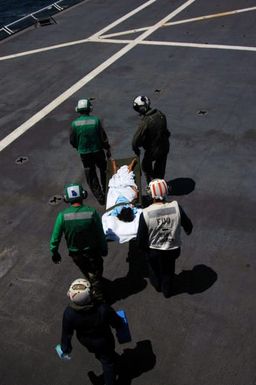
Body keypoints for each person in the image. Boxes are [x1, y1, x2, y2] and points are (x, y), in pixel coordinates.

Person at [56, 278, 124, 385]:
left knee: (98, 353)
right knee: (108, 362)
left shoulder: (69, 314)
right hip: (104, 340)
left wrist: (65, 349)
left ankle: (101, 355)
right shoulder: (102, 309)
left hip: (86, 341)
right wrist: (120, 326)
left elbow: (66, 334)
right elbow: (115, 321)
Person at [50, 183, 108, 302]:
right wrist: (104, 248)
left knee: (86, 270)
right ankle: (99, 298)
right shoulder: (92, 212)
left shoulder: (62, 216)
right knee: (96, 273)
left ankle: (92, 283)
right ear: (83, 195)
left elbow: (55, 238)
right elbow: (100, 234)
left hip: (76, 254)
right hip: (93, 252)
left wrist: (54, 252)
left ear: (66, 199)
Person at [136, 179, 193, 298]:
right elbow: (188, 226)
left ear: (152, 195)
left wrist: (143, 250)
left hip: (154, 251)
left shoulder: (146, 213)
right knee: (169, 269)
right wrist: (187, 230)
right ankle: (167, 290)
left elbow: (141, 238)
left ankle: (157, 285)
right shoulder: (176, 207)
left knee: (154, 268)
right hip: (172, 248)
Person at [70, 98, 111, 205]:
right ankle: (108, 191)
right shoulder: (95, 120)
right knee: (104, 170)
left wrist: (80, 147)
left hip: (84, 153)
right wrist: (107, 148)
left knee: (91, 174)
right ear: (89, 109)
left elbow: (73, 141)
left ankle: (100, 197)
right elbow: (103, 138)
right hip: (98, 151)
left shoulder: (74, 124)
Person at [132, 96, 171, 184]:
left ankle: (152, 185)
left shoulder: (145, 122)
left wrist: (136, 149)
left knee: (146, 166)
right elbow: (167, 132)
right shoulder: (161, 114)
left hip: (153, 150)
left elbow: (135, 140)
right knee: (160, 169)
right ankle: (160, 186)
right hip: (164, 147)